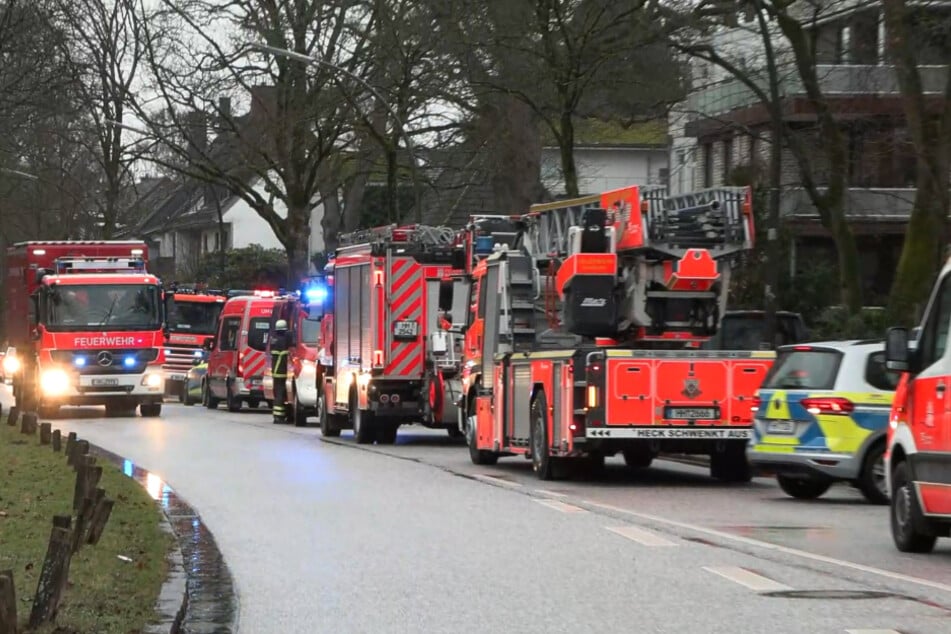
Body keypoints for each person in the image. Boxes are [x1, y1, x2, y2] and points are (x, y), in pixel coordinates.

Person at [270, 319, 290, 424]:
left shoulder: (274, 339)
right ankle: (279, 416)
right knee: (280, 394)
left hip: (275, 371)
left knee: (278, 392)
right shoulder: (283, 340)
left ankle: (278, 415)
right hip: (281, 370)